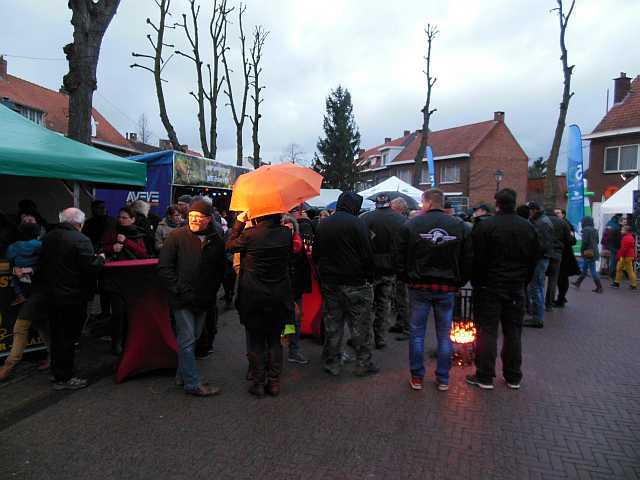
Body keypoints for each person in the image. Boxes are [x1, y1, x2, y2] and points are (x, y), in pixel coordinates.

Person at [395, 189, 472, 391]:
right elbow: (467, 258)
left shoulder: (411, 225)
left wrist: (407, 278)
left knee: (417, 333)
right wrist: (459, 280)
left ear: (427, 202)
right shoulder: (460, 226)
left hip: (419, 285)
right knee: (444, 334)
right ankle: (443, 378)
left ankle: (417, 377)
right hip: (446, 286)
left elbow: (399, 256)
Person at [466, 189, 539, 390]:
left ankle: (485, 375)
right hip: (515, 286)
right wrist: (524, 281)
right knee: (513, 331)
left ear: (496, 203)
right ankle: (513, 376)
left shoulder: (485, 226)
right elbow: (534, 259)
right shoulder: (528, 227)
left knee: (487, 331)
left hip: (489, 286)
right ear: (514, 203)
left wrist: (477, 281)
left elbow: (476, 258)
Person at [158, 200, 225, 397]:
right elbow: (164, 268)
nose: (194, 220)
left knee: (193, 338)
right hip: (182, 298)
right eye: (191, 217)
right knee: (187, 340)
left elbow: (220, 269)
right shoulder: (176, 237)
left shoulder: (216, 240)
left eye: (199, 217)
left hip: (203, 299)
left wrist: (212, 291)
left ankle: (182, 376)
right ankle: (193, 383)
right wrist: (179, 289)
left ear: (208, 219)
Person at [226, 212, 295, 398]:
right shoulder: (285, 234)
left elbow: (230, 245)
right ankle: (273, 383)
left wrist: (239, 223)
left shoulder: (250, 234)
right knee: (274, 339)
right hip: (279, 294)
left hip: (253, 295)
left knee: (256, 339)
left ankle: (258, 382)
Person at [37, 208, 105, 390]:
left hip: (51, 295)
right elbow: (90, 267)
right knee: (68, 337)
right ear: (79, 223)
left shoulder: (49, 237)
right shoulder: (80, 239)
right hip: (72, 296)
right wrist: (100, 259)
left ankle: (57, 372)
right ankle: (64, 377)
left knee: (57, 335)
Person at [313, 192, 377, 377]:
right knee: (360, 324)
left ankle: (332, 362)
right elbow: (368, 255)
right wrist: (369, 277)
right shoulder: (359, 224)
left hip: (330, 283)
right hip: (355, 283)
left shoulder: (323, 224)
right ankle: (363, 363)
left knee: (333, 323)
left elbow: (316, 255)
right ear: (355, 206)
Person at [360, 193, 407, 349]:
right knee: (384, 304)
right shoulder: (401, 220)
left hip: (370, 269)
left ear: (376, 203)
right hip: (390, 268)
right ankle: (380, 338)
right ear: (389, 203)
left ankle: (363, 338)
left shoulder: (366, 218)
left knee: (366, 305)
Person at [101, 206, 149, 354]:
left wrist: (126, 241)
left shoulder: (138, 233)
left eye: (124, 218)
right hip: (115, 279)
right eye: (119, 217)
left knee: (131, 313)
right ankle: (116, 343)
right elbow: (101, 248)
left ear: (133, 219)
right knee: (118, 313)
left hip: (133, 278)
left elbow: (143, 254)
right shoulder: (112, 232)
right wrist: (111, 248)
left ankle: (130, 341)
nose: (121, 220)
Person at [281, 214, 311, 365]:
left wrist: (303, 288)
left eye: (291, 228)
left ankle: (294, 349)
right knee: (281, 320)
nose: (288, 231)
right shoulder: (276, 245)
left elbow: (305, 268)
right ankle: (278, 350)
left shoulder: (299, 245)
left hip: (295, 290)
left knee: (295, 320)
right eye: (285, 228)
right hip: (280, 290)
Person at [523, 202, 554, 328]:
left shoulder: (542, 223)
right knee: (537, 286)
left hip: (540, 259)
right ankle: (537, 316)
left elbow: (542, 244)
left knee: (536, 287)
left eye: (530, 210)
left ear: (534, 210)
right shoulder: (542, 221)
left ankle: (538, 318)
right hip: (542, 258)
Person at [388, 198, 410, 339]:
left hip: (403, 266)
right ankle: (401, 323)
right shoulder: (405, 222)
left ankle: (407, 328)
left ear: (398, 208)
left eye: (392, 206)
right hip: (399, 264)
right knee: (399, 296)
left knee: (403, 297)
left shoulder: (405, 223)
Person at [6, 222, 42, 306]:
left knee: (15, 276)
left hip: (19, 275)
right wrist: (32, 269)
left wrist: (16, 269)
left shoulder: (13, 246)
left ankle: (20, 296)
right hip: (38, 276)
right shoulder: (41, 245)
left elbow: (9, 259)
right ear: (37, 233)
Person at [544, 207, 571, 311]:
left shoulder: (543, 221)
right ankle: (549, 304)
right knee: (553, 279)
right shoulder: (563, 223)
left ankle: (536, 302)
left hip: (544, 253)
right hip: (557, 254)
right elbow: (568, 239)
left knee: (539, 279)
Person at [553, 208, 580, 306]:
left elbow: (573, 241)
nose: (556, 214)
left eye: (558, 213)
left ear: (563, 214)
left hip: (565, 255)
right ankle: (561, 297)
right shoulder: (558, 223)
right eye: (555, 213)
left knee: (562, 277)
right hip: (562, 254)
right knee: (560, 278)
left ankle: (561, 299)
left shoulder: (566, 225)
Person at [572, 216, 603, 293]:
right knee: (585, 269)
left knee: (593, 271)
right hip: (594, 251)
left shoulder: (585, 230)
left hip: (588, 252)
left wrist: (582, 250)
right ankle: (578, 282)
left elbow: (584, 242)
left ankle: (599, 287)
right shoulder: (595, 230)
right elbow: (597, 241)